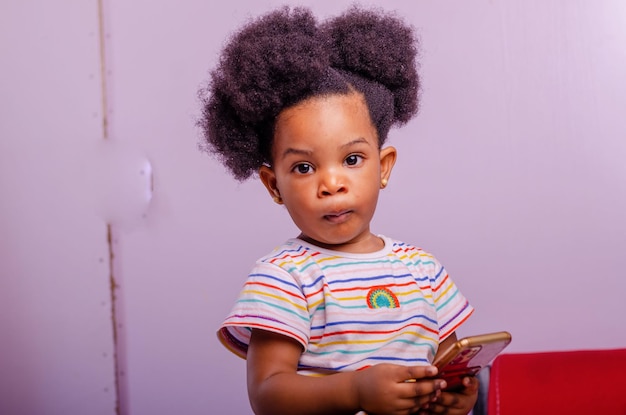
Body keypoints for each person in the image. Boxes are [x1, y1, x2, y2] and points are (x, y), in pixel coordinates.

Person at [199, 5, 477, 415]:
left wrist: (455, 397)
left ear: (383, 168)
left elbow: (451, 364)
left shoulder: (423, 270)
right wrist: (355, 392)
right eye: (304, 167)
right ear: (274, 184)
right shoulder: (285, 278)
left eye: (351, 160)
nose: (331, 184)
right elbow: (268, 394)